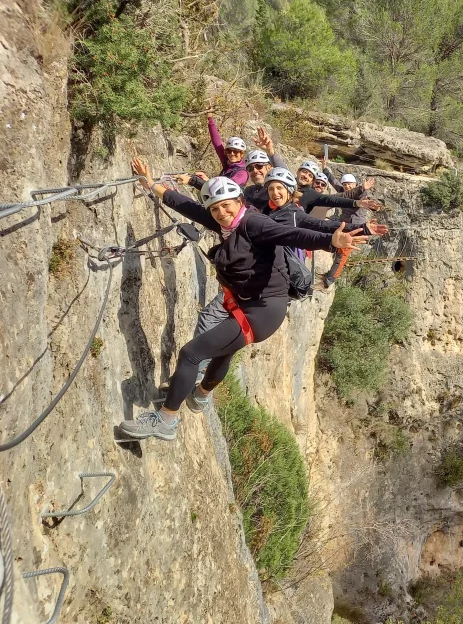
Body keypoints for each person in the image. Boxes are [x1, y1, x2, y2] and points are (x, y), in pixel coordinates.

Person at [119, 158, 367, 442]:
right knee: (222, 352)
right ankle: (200, 396)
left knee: (191, 354)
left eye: (227, 206)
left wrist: (330, 242)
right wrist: (152, 186)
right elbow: (187, 207)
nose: (221, 213)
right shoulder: (224, 222)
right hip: (252, 305)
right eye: (216, 209)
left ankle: (166, 421)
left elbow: (292, 233)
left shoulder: (255, 223)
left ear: (239, 201)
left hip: (261, 311)